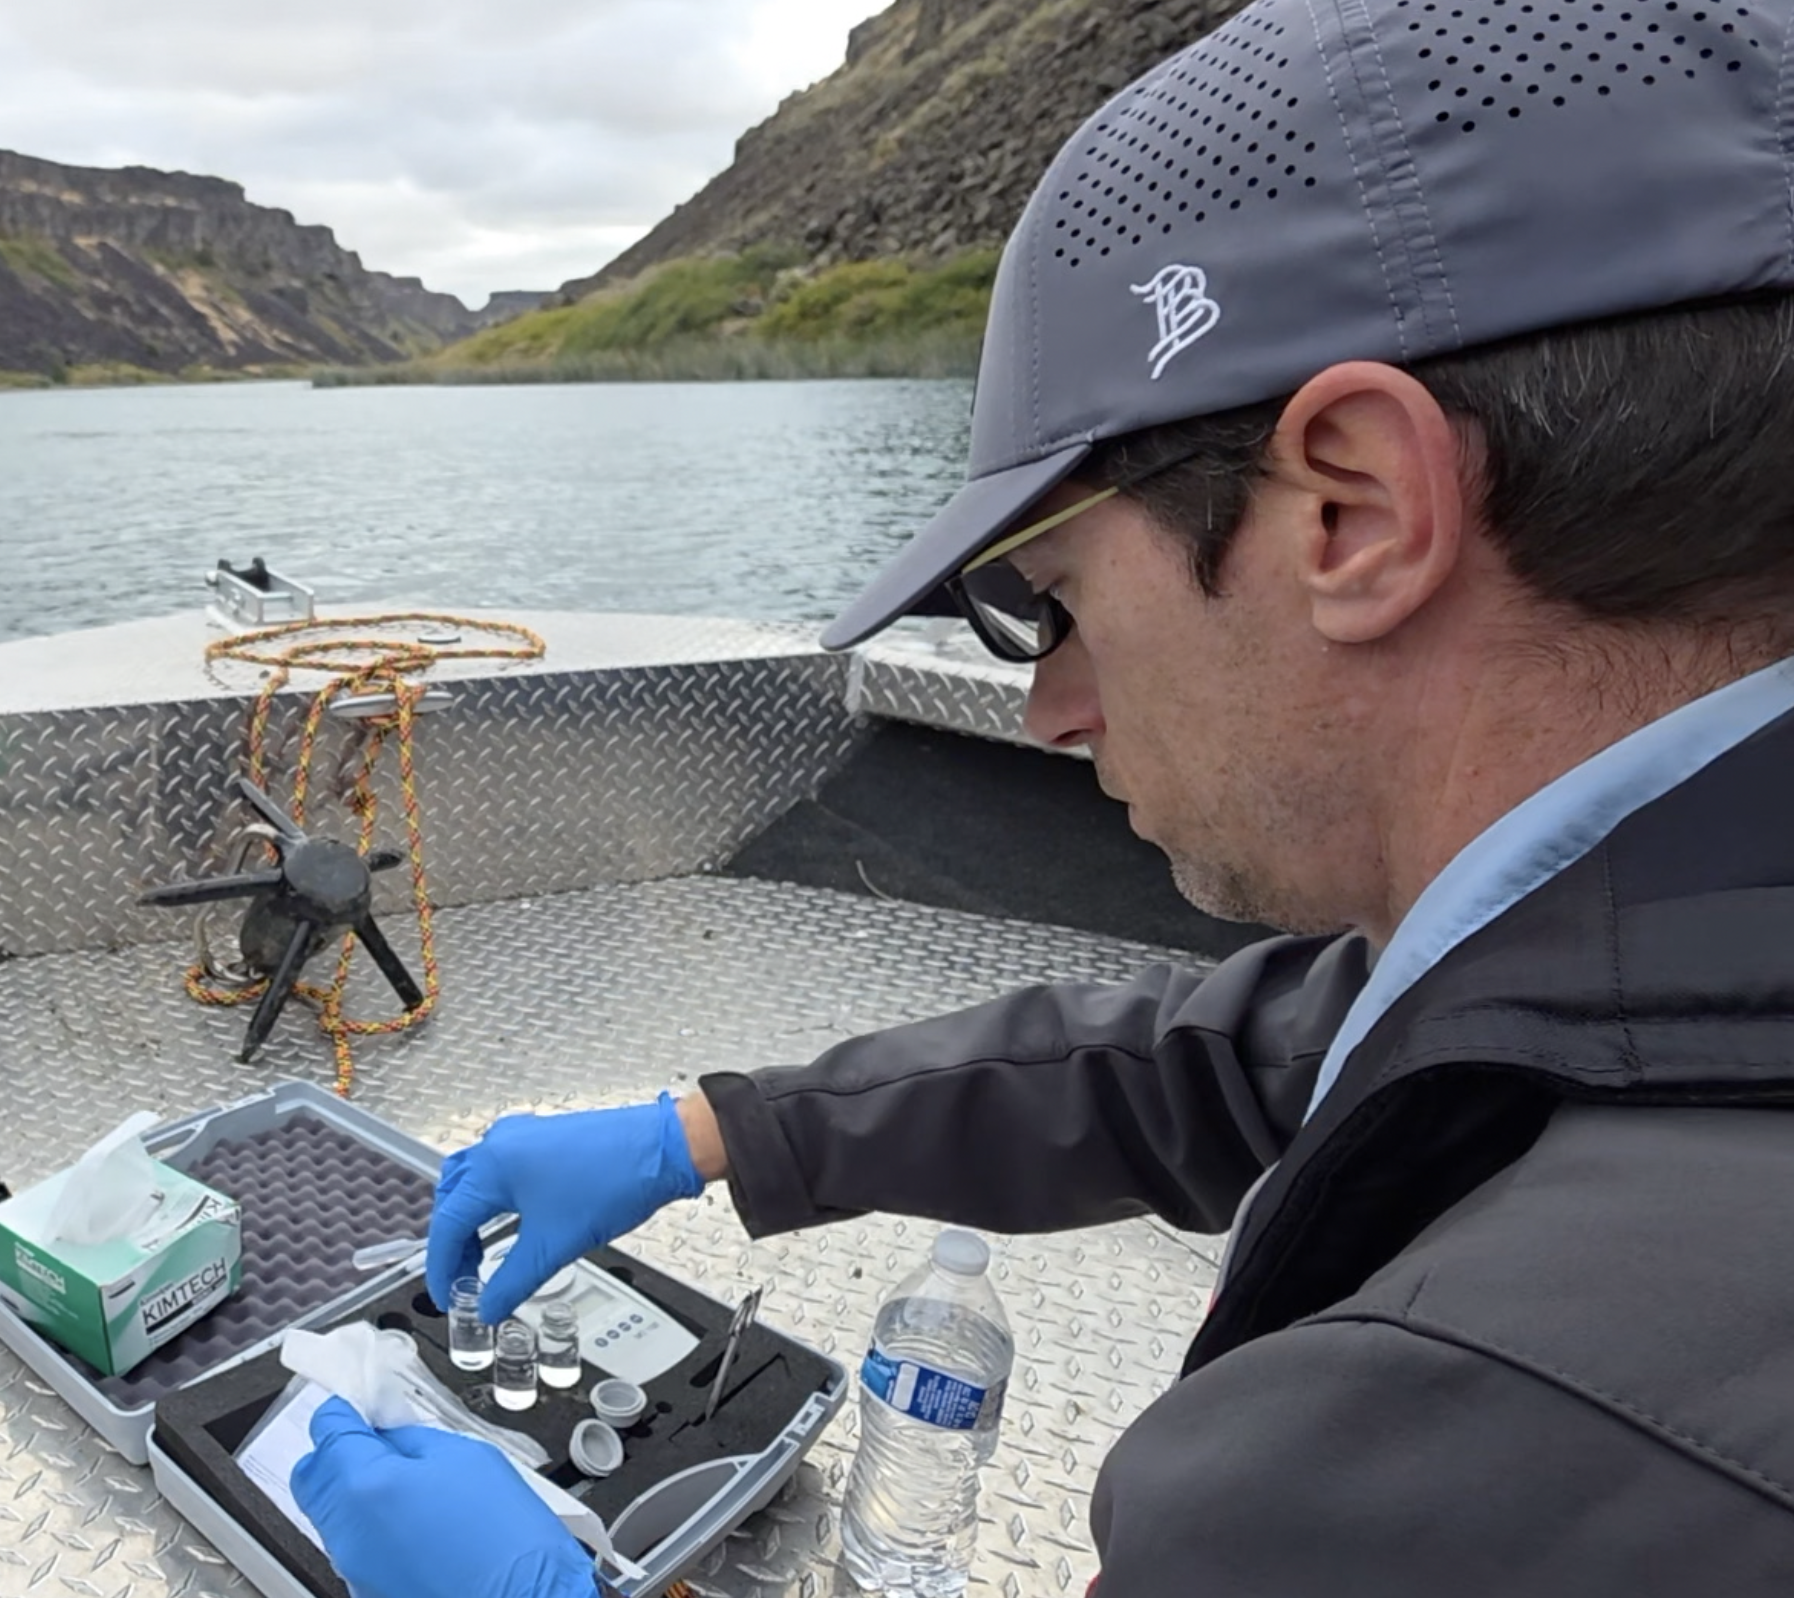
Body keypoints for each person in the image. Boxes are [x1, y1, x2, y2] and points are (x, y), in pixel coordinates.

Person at [290, 0, 1794, 1592]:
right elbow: (1234, 1063)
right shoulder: (1664, 936)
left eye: (1051, 599)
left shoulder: (1455, 1442)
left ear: (1354, 511)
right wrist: (707, 1131)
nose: (1048, 706)